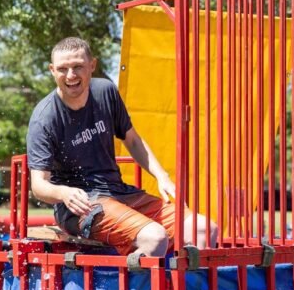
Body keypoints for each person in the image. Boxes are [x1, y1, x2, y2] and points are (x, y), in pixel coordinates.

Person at [26, 37, 217, 257]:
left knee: (204, 229)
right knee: (155, 237)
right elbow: (38, 185)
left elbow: (133, 140)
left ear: (92, 65)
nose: (71, 76)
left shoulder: (106, 92)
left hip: (119, 193)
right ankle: (142, 288)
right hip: (82, 206)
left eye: (78, 66)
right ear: (52, 70)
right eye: (62, 69)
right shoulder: (45, 118)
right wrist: (63, 192)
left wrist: (161, 176)